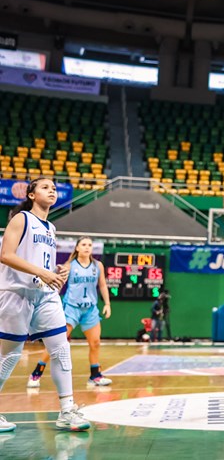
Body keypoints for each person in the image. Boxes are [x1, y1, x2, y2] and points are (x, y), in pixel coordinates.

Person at [0, 178, 90, 432]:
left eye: (53, 188)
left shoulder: (50, 227)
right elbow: (5, 255)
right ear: (31, 194)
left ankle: (67, 410)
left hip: (45, 294)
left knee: (61, 350)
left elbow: (40, 263)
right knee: (9, 356)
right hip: (17, 293)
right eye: (45, 187)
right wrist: (42, 272)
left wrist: (54, 273)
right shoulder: (21, 219)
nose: (52, 190)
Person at [28, 236, 112, 388]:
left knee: (95, 342)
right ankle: (36, 373)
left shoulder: (97, 265)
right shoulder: (70, 265)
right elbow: (58, 285)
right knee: (57, 343)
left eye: (90, 245)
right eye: (84, 244)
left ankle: (95, 375)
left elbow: (103, 285)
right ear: (77, 248)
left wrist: (107, 303)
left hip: (90, 309)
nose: (87, 247)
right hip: (72, 307)